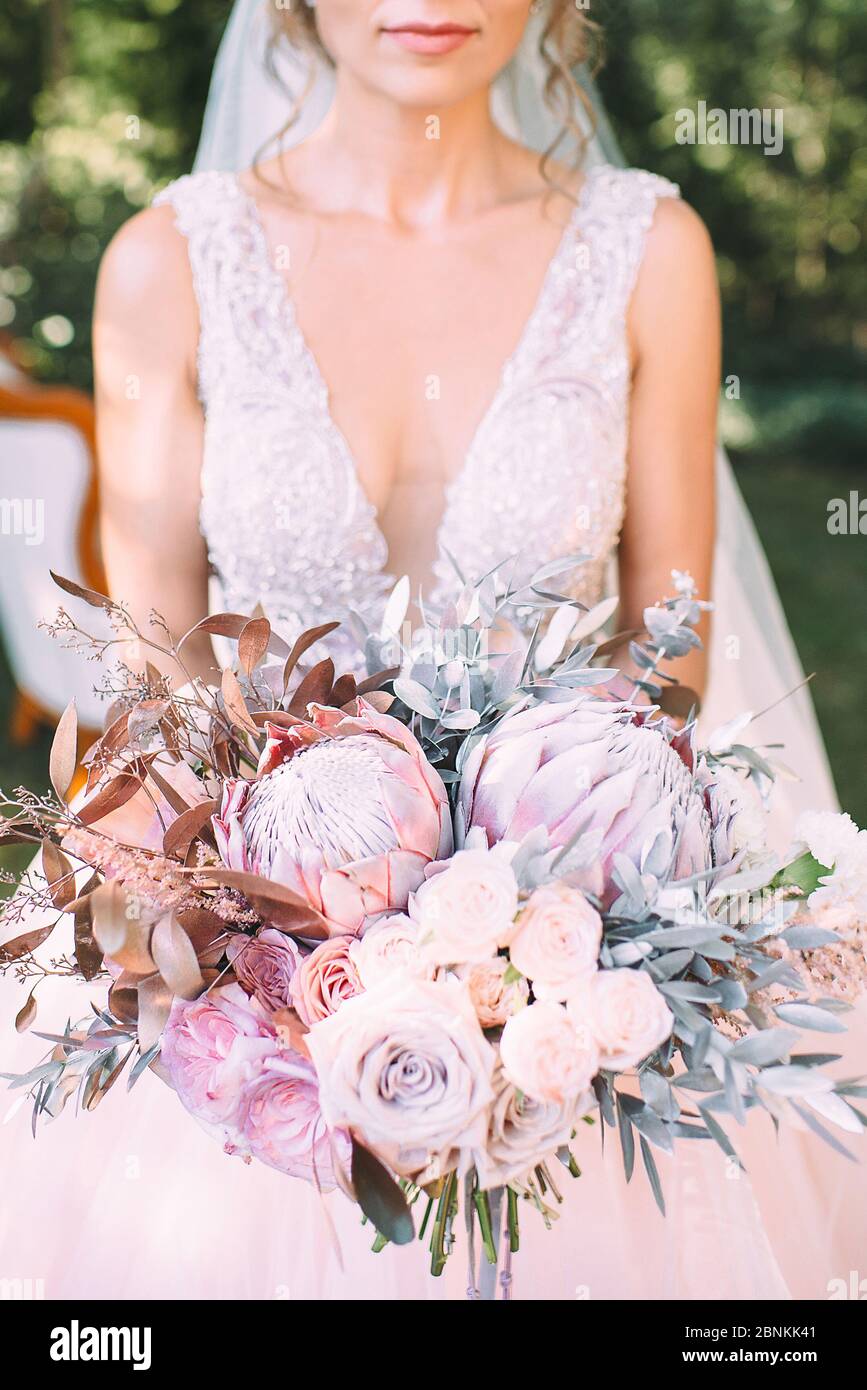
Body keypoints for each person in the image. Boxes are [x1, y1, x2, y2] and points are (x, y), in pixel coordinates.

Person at [0, 1, 856, 1300]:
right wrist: (260, 926)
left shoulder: (648, 249)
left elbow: (668, 659)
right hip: (262, 929)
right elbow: (155, 670)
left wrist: (517, 946)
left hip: (574, 932)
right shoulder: (167, 263)